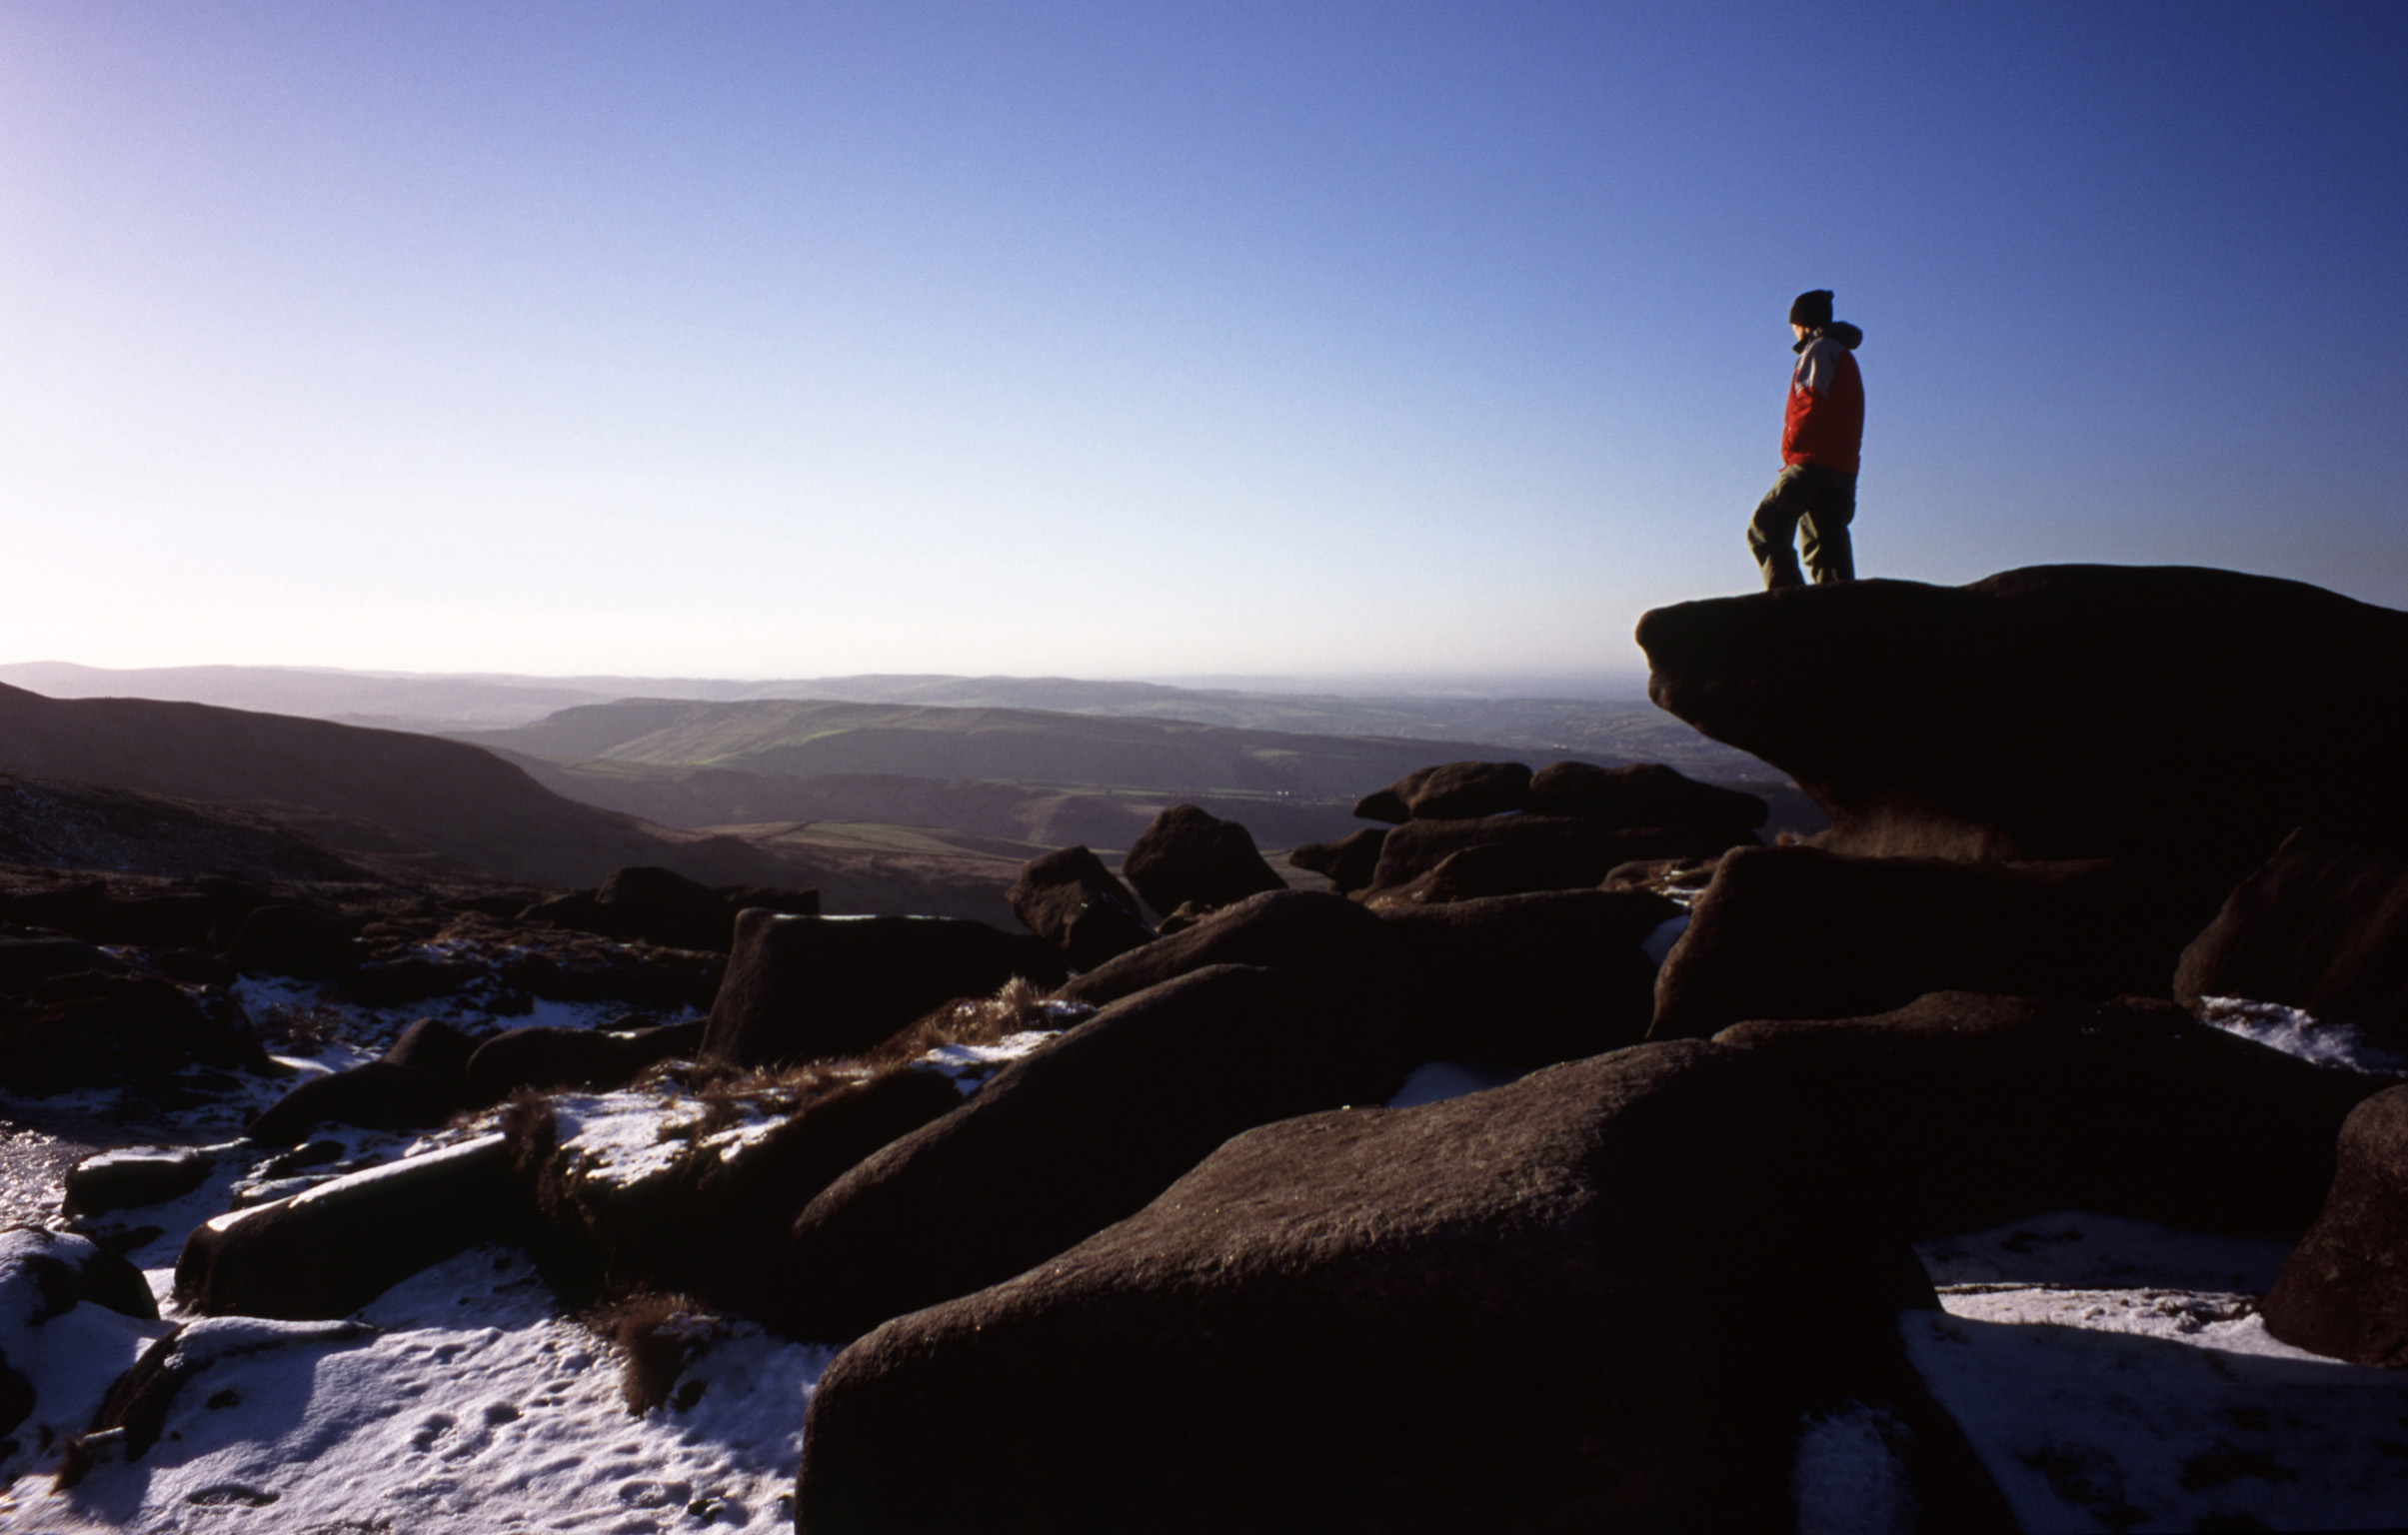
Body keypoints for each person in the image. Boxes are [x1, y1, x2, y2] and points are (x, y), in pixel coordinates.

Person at [1746, 289, 1864, 588]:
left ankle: (1790, 610)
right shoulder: (1842, 353)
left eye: (1794, 325)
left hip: (1813, 462)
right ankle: (1839, 618)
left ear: (1806, 323)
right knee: (1827, 548)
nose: (1792, 331)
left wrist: (1792, 446)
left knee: (1765, 527)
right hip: (1842, 468)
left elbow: (1811, 400)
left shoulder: (1819, 350)